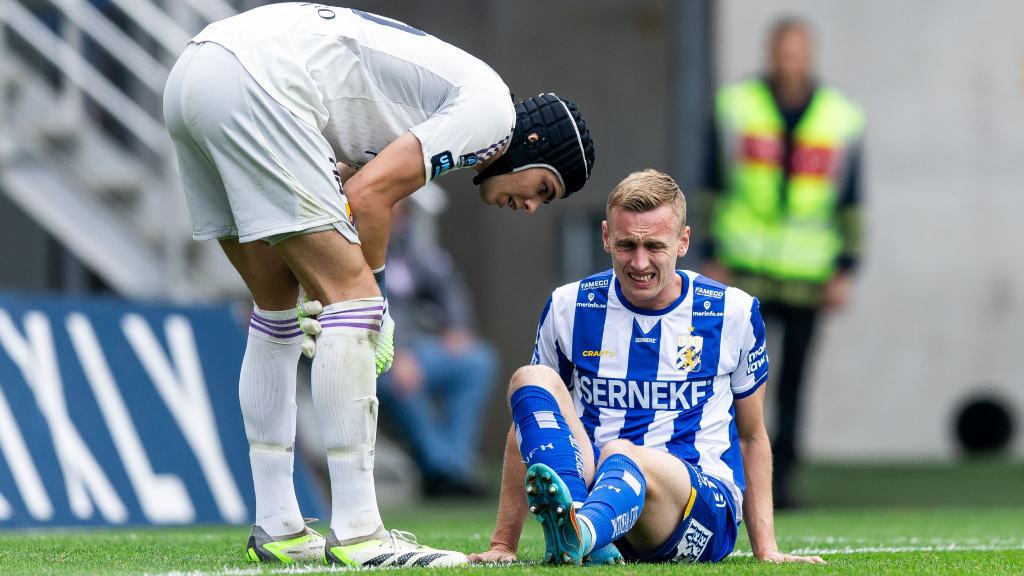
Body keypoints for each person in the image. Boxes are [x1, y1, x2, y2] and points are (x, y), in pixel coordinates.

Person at [162, 3, 594, 567]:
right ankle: (361, 534)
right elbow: (368, 195)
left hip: (195, 72)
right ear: (532, 142)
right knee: (356, 305)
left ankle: (278, 526)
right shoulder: (492, 116)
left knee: (275, 311)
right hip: (255, 80)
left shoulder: (454, 101)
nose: (532, 206)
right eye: (544, 187)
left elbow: (345, 183)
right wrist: (376, 302)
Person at [469, 170, 824, 565]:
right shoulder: (569, 306)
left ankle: (581, 531)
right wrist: (503, 545)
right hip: (600, 493)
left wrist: (767, 549)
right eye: (626, 245)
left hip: (699, 508)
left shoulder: (732, 311)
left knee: (623, 451)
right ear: (606, 237)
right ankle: (582, 528)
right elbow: (527, 425)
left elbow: (752, 436)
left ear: (683, 241)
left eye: (654, 246)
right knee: (529, 379)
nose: (640, 262)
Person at [701, 19, 864, 508]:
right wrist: (710, 253)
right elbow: (710, 182)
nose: (789, 60)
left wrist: (846, 267)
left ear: (810, 55)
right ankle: (728, 477)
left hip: (808, 273)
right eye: (782, 50)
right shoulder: (735, 107)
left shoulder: (841, 117)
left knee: (793, 383)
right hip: (744, 265)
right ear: (769, 52)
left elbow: (852, 199)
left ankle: (782, 482)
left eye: (798, 52)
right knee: (734, 379)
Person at [376, 199, 498, 497]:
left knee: (478, 360)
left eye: (401, 210)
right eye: (390, 209)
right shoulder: (357, 249)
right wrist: (396, 351)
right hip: (374, 354)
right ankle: (440, 470)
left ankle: (456, 465)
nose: (397, 217)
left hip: (415, 350)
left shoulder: (410, 249)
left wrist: (456, 326)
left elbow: (445, 283)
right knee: (403, 380)